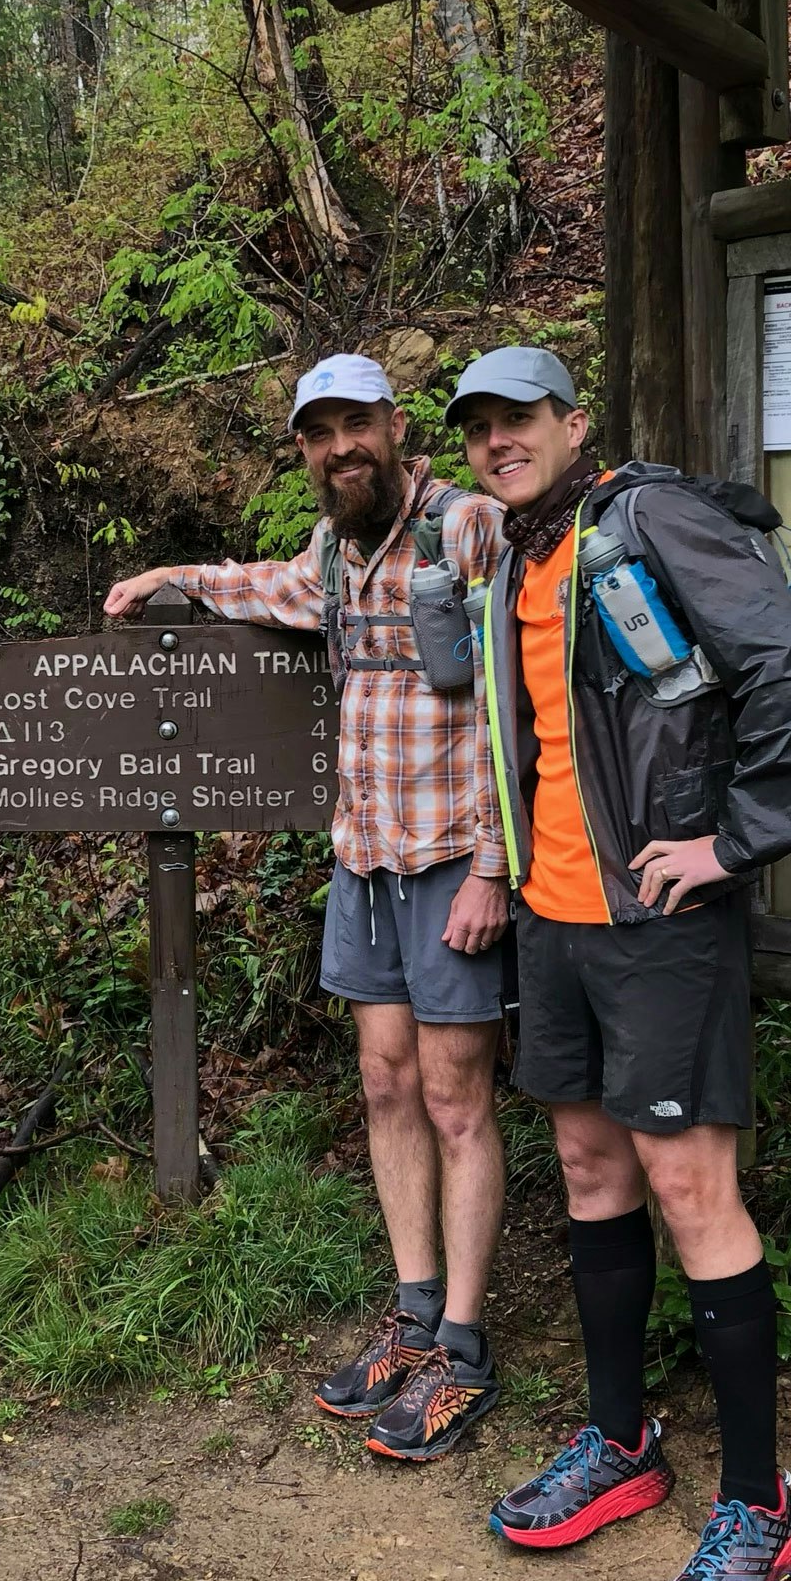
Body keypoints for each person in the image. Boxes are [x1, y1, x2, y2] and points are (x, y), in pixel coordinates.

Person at [449, 345, 791, 1581]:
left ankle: (758, 1502)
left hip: (660, 920)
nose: (498, 442)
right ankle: (620, 1441)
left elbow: (788, 662)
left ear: (571, 422)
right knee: (590, 1170)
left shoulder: (649, 516)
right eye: (477, 430)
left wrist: (736, 841)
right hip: (556, 920)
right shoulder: (519, 553)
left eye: (517, 421)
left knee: (688, 1189)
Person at [105, 354, 510, 1460]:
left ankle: (464, 1350)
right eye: (319, 432)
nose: (342, 447)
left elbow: (527, 690)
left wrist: (492, 866)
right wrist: (166, 580)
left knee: (455, 1094)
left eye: (357, 424)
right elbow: (261, 586)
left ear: (393, 422)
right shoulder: (330, 552)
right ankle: (414, 1313)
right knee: (384, 1082)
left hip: (451, 861)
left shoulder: (468, 528)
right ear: (302, 449)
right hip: (363, 860)